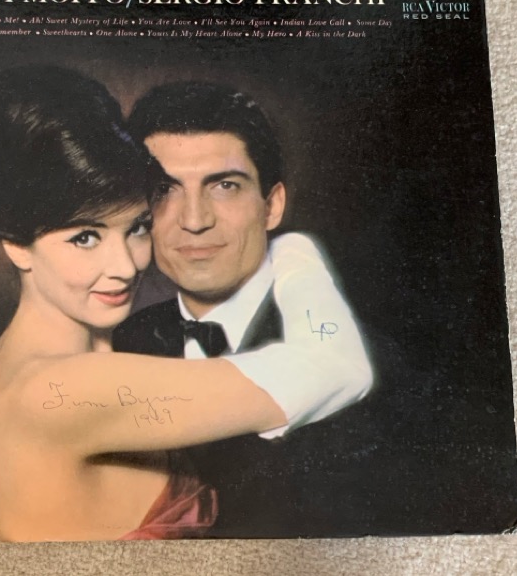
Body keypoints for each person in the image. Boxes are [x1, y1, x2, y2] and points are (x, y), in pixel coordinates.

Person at [0, 67, 367, 541]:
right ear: (16, 245)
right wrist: (295, 252)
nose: (125, 266)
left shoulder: (19, 359)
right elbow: (338, 367)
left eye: (137, 228)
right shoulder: (56, 391)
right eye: (85, 238)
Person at [113, 81, 374, 537]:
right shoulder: (119, 344)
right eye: (164, 189)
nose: (194, 220)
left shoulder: (360, 356)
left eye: (224, 186)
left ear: (271, 206)